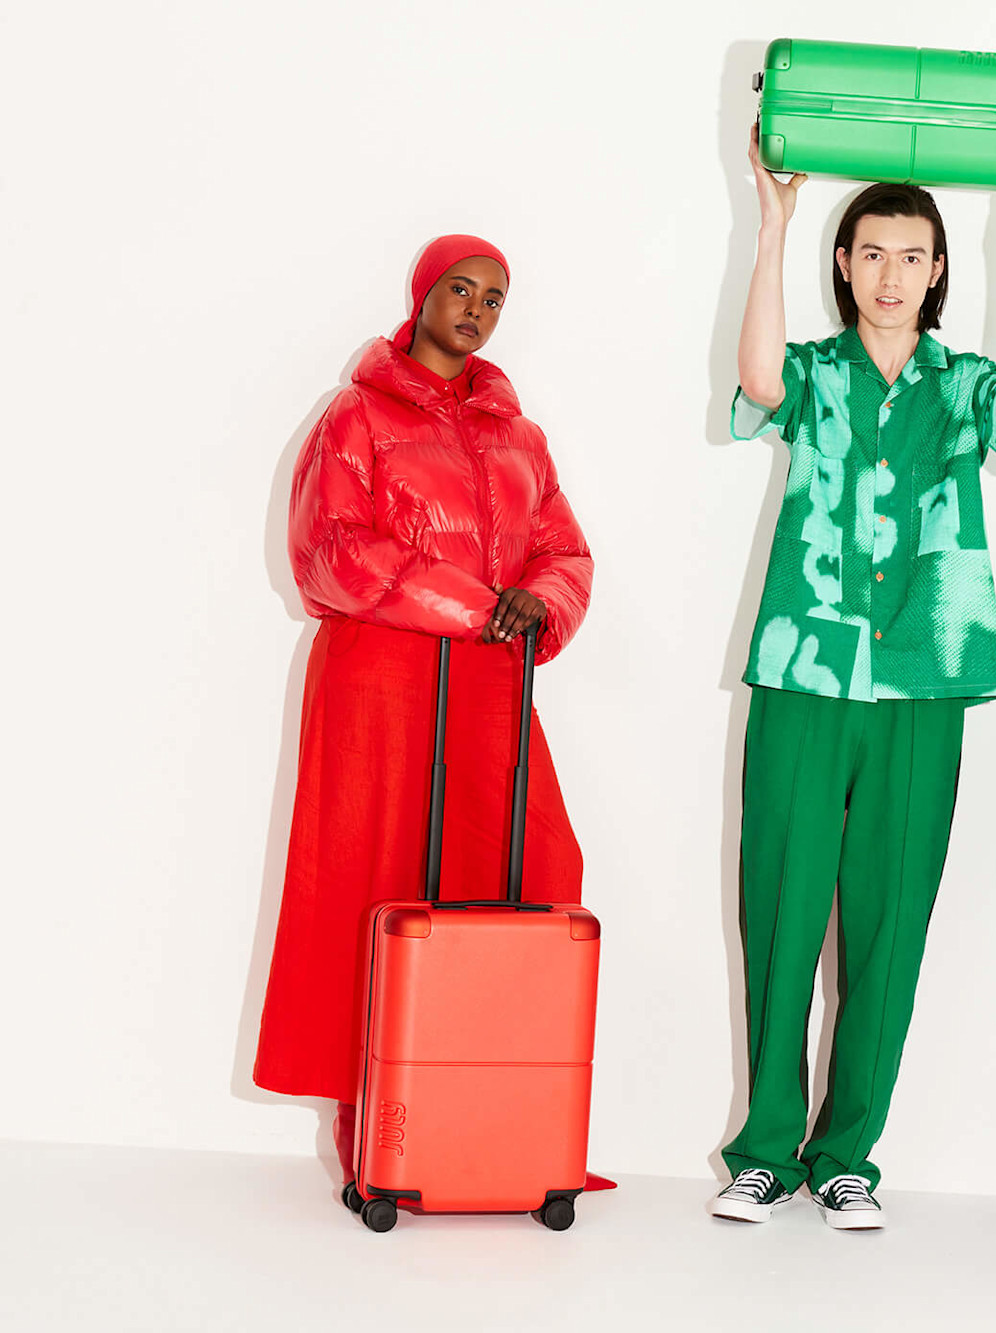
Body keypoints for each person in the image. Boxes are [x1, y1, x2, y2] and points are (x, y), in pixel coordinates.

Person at [709, 129, 996, 1230]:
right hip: (804, 668)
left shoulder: (961, 387)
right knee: (781, 905)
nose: (891, 274)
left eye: (911, 255)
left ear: (937, 268)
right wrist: (771, 226)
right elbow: (755, 378)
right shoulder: (815, 374)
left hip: (925, 676)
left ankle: (847, 1151)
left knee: (889, 921)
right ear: (845, 264)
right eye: (870, 253)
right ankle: (765, 1149)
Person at [252, 235, 593, 1191]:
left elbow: (565, 553)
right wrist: (476, 604)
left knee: (528, 870)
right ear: (422, 296)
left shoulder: (521, 437)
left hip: (487, 686)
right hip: (382, 687)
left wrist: (538, 604)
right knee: (377, 878)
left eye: (495, 297)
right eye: (461, 289)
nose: (477, 309)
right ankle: (376, 1129)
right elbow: (330, 550)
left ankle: (487, 1109)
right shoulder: (356, 415)